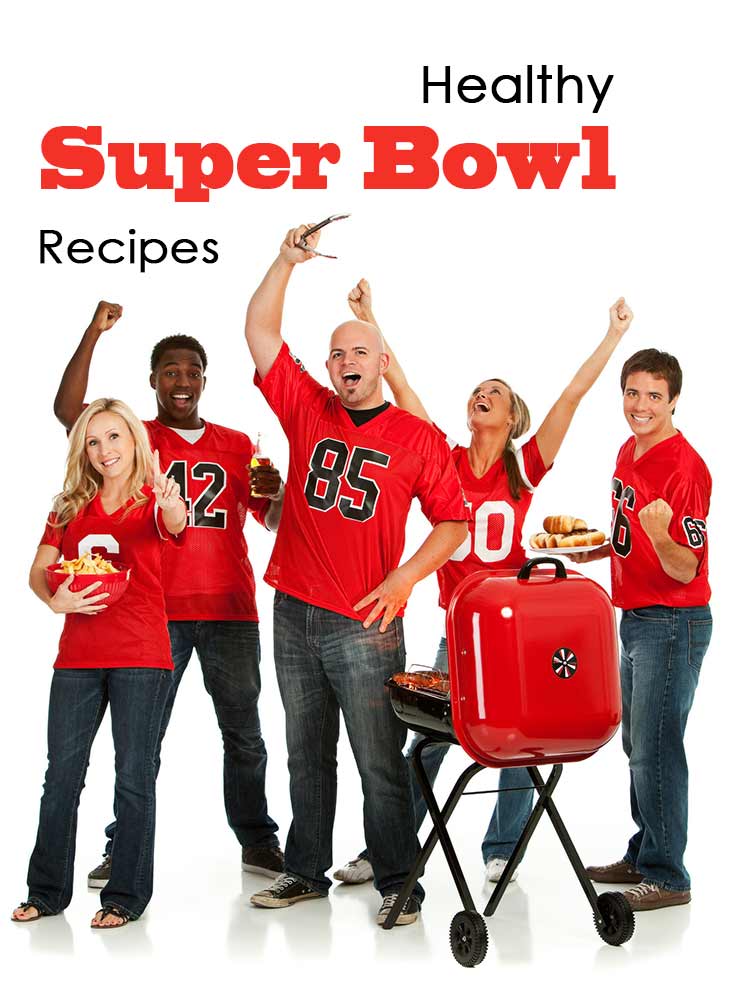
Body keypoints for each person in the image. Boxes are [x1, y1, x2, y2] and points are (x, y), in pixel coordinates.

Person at [334, 280, 633, 888]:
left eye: (494, 392)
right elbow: (404, 391)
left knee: (520, 739)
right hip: (455, 628)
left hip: (514, 633)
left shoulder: (524, 466)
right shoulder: (439, 456)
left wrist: (614, 335)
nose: (482, 394)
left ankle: (502, 847)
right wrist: (371, 320)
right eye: (477, 390)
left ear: (512, 416)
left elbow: (572, 397)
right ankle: (387, 848)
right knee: (428, 744)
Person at [243, 224, 469, 926]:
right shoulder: (309, 406)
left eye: (359, 351)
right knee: (306, 754)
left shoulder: (416, 436)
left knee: (377, 761)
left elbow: (454, 522)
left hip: (366, 621)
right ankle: (305, 870)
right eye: (337, 352)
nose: (346, 360)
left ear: (380, 361)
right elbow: (257, 329)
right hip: (293, 611)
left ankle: (401, 880)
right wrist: (285, 262)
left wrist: (404, 577)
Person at [53, 303, 284, 887]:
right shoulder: (135, 438)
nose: (182, 381)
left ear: (205, 379)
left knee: (245, 732)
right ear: (152, 380)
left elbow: (274, 521)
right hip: (156, 612)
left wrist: (276, 493)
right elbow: (68, 413)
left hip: (230, 607)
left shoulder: (236, 444)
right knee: (141, 741)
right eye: (170, 371)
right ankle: (122, 847)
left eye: (192, 371)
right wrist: (92, 333)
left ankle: (257, 841)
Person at [12, 398, 186, 928]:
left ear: (135, 440)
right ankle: (46, 892)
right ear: (82, 451)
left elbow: (176, 522)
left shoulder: (154, 500)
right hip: (79, 658)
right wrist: (53, 599)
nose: (105, 450)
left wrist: (170, 500)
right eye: (93, 441)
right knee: (61, 775)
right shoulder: (68, 506)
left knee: (135, 776)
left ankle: (125, 897)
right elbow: (39, 570)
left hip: (141, 655)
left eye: (114, 437)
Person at [579, 349, 712, 911]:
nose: (640, 405)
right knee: (638, 745)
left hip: (673, 621)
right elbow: (628, 534)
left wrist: (660, 537)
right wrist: (599, 546)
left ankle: (667, 875)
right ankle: (644, 851)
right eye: (632, 393)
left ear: (674, 400)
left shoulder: (685, 468)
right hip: (633, 617)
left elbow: (687, 566)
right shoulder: (626, 450)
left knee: (657, 749)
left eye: (654, 396)